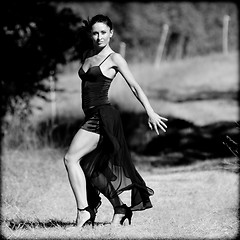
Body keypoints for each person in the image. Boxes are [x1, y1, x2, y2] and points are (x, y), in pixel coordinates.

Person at [63, 14, 168, 228]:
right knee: (90, 168)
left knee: (70, 159)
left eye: (103, 32)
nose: (99, 37)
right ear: (90, 34)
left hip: (102, 117)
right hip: (90, 115)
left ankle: (83, 211)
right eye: (95, 33)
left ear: (111, 33)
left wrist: (150, 111)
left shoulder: (115, 59)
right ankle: (120, 209)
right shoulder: (87, 54)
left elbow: (134, 87)